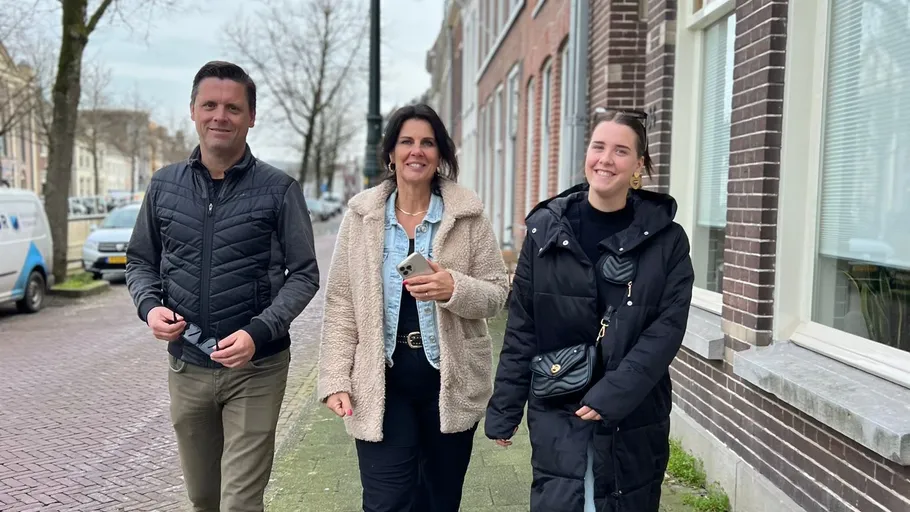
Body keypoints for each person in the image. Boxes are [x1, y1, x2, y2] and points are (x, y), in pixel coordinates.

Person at [125, 60, 320, 512]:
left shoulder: (280, 189)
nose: (220, 116)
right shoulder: (163, 186)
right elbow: (140, 261)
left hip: (256, 370)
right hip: (187, 366)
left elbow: (305, 274)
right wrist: (149, 307)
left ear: (252, 116)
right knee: (203, 498)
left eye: (233, 108)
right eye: (209, 105)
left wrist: (258, 332)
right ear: (192, 110)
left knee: (240, 503)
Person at [484, 108, 695, 512]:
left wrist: (612, 395)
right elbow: (523, 326)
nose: (605, 159)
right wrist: (506, 407)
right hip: (558, 403)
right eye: (599, 147)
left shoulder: (668, 241)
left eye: (621, 151)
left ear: (638, 165)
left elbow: (667, 329)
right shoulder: (546, 231)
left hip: (632, 414)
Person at [316, 103, 510, 512]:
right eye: (406, 142)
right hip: (382, 382)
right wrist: (335, 377)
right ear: (390, 153)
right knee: (386, 502)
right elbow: (340, 303)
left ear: (440, 154)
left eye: (428, 142)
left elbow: (496, 293)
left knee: (439, 501)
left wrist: (452, 287)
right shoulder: (361, 216)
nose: (416, 151)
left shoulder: (467, 216)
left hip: (449, 381)